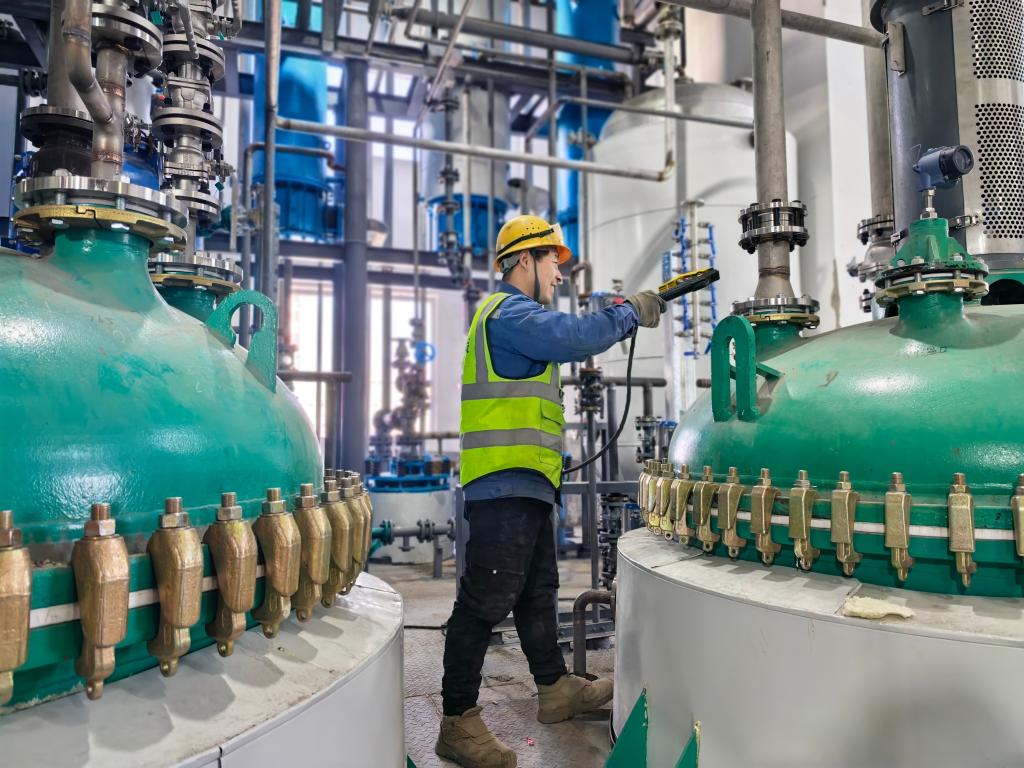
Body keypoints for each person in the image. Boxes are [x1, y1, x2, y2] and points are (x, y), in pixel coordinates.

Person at [435, 214, 666, 768]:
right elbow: (572, 336)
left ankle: (555, 690)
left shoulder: (518, 317)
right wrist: (628, 312)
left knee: (538, 590)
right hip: (503, 483)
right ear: (524, 260)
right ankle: (457, 721)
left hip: (529, 481)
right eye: (552, 263)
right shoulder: (508, 313)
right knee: (485, 600)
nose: (559, 275)